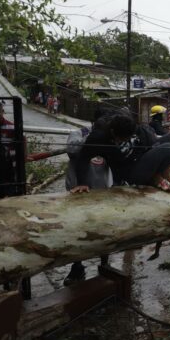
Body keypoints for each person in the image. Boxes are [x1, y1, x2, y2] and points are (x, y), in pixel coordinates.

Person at [72, 113, 170, 193]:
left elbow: (149, 141)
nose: (128, 140)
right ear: (113, 132)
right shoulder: (99, 137)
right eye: (124, 139)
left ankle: (164, 174)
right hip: (130, 172)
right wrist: (82, 183)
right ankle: (154, 178)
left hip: (142, 155)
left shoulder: (129, 124)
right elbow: (83, 157)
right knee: (168, 148)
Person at [63, 108, 113, 286]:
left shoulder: (110, 138)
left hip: (102, 192)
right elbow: (71, 150)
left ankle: (105, 264)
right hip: (78, 191)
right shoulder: (79, 133)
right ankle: (77, 267)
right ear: (95, 123)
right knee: (78, 230)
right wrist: (90, 139)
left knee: (104, 229)